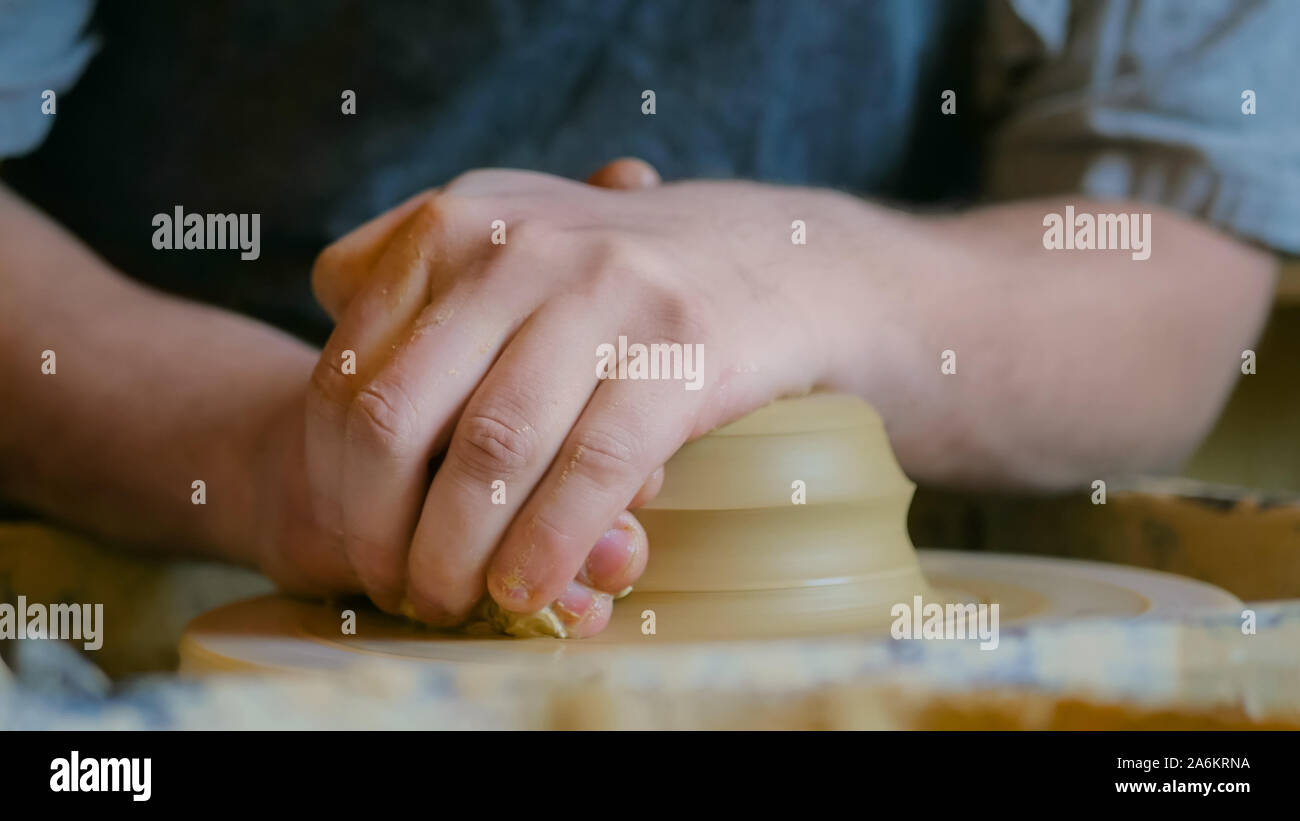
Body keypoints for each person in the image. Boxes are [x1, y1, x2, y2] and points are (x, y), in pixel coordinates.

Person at [0, 1, 1294, 637]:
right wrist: (264, 448)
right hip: (173, 495)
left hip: (829, 580)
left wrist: (799, 270)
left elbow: (1168, 263)